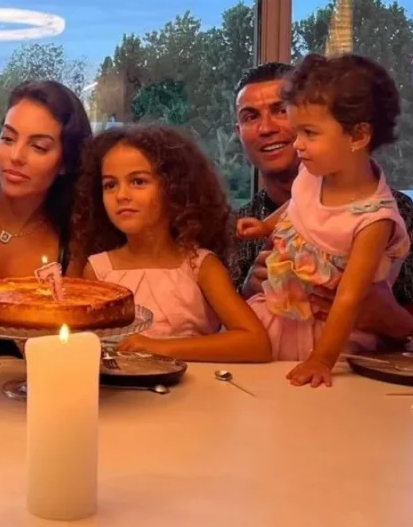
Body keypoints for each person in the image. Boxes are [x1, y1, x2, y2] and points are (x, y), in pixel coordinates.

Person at [232, 61, 413, 359]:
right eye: (251, 116)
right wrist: (249, 291)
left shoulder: (389, 215)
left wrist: (397, 323)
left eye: (281, 110)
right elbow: (214, 332)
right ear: (238, 132)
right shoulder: (238, 225)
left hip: (346, 370)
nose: (267, 128)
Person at [72, 125, 271, 363]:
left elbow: (256, 343)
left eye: (138, 181)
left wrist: (158, 347)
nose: (121, 195)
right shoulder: (97, 270)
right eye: (110, 185)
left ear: (174, 189)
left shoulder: (200, 266)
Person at [0, 80, 93, 278]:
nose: (16, 156)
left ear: (66, 162)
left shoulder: (74, 243)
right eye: (8, 138)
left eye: (39, 147)